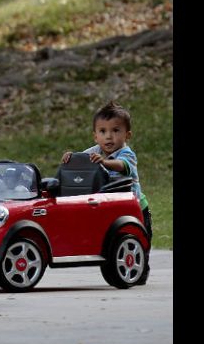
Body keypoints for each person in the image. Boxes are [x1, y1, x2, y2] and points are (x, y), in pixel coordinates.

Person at [62, 101, 152, 284]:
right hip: (111, 207)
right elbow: (81, 159)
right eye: (103, 132)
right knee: (113, 240)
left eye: (115, 131)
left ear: (127, 135)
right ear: (95, 136)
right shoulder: (94, 152)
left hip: (135, 208)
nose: (109, 137)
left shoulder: (126, 154)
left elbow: (122, 166)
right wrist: (71, 157)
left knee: (139, 241)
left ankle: (139, 272)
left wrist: (104, 162)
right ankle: (114, 265)